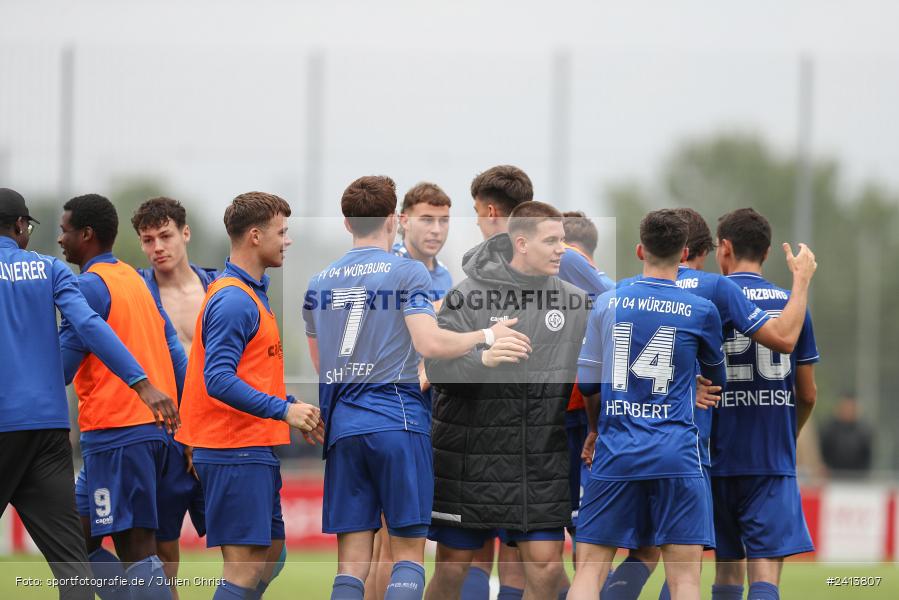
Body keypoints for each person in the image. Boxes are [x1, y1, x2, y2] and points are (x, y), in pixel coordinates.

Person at [303, 175, 526, 600]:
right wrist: (487, 335)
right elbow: (430, 344)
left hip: (345, 425)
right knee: (405, 554)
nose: (437, 229)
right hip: (399, 420)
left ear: (347, 223)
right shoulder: (407, 271)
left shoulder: (319, 281)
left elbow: (323, 364)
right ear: (395, 219)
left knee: (351, 564)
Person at [603, 207, 818, 600]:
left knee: (654, 554)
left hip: (656, 443)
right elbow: (801, 380)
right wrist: (801, 281)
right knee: (719, 570)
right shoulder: (737, 293)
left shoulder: (631, 292)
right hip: (734, 452)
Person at [0, 188, 175, 600]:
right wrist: (142, 383)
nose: (58, 239)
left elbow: (73, 351)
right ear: (20, 226)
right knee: (75, 568)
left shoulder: (91, 280)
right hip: (49, 430)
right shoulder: (53, 270)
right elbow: (94, 326)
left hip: (99, 431)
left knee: (127, 549)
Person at [426, 201, 590, 600]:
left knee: (547, 568)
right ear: (521, 243)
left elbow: (611, 355)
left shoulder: (575, 302)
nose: (561, 249)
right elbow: (435, 369)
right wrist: (482, 359)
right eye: (551, 241)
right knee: (452, 569)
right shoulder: (466, 296)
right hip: (469, 458)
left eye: (562, 240)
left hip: (538, 460)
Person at [569, 209, 728, 600]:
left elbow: (588, 383)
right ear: (684, 253)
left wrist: (594, 430)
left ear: (640, 250)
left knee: (589, 571)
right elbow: (716, 379)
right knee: (685, 580)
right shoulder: (701, 310)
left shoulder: (608, 302)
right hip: (677, 453)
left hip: (616, 450)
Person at [176, 191, 323, 599]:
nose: (287, 240)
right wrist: (282, 411)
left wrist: (290, 406)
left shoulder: (251, 293)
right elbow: (218, 379)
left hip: (250, 447)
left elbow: (248, 375)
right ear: (256, 236)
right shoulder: (234, 300)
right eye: (282, 232)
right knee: (243, 569)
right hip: (232, 449)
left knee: (273, 555)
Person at [711, 208, 819, 600]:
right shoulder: (792, 306)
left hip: (714, 456)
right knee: (765, 573)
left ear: (724, 247)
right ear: (768, 252)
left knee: (726, 571)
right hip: (770, 458)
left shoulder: (709, 301)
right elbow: (807, 394)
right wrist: (791, 432)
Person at [364, 182, 455, 600]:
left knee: (402, 539)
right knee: (391, 540)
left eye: (444, 220)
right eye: (427, 219)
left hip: (427, 414)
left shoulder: (444, 275)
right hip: (391, 410)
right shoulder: (389, 266)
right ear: (402, 221)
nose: (436, 229)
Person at [456, 165, 536, 600]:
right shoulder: (556, 262)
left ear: (489, 211)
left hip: (482, 432)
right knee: (521, 553)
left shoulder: (473, 274)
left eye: (475, 212)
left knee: (474, 551)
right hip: (531, 434)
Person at [132, 197, 218, 596]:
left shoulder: (217, 289)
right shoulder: (137, 291)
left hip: (217, 430)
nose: (157, 247)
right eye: (148, 240)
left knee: (261, 547)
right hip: (163, 433)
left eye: (165, 236)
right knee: (163, 551)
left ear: (185, 233)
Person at [819, 394, 873, 476]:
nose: (848, 411)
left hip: (857, 478)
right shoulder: (829, 429)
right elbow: (823, 453)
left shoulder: (864, 432)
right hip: (833, 477)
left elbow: (867, 458)